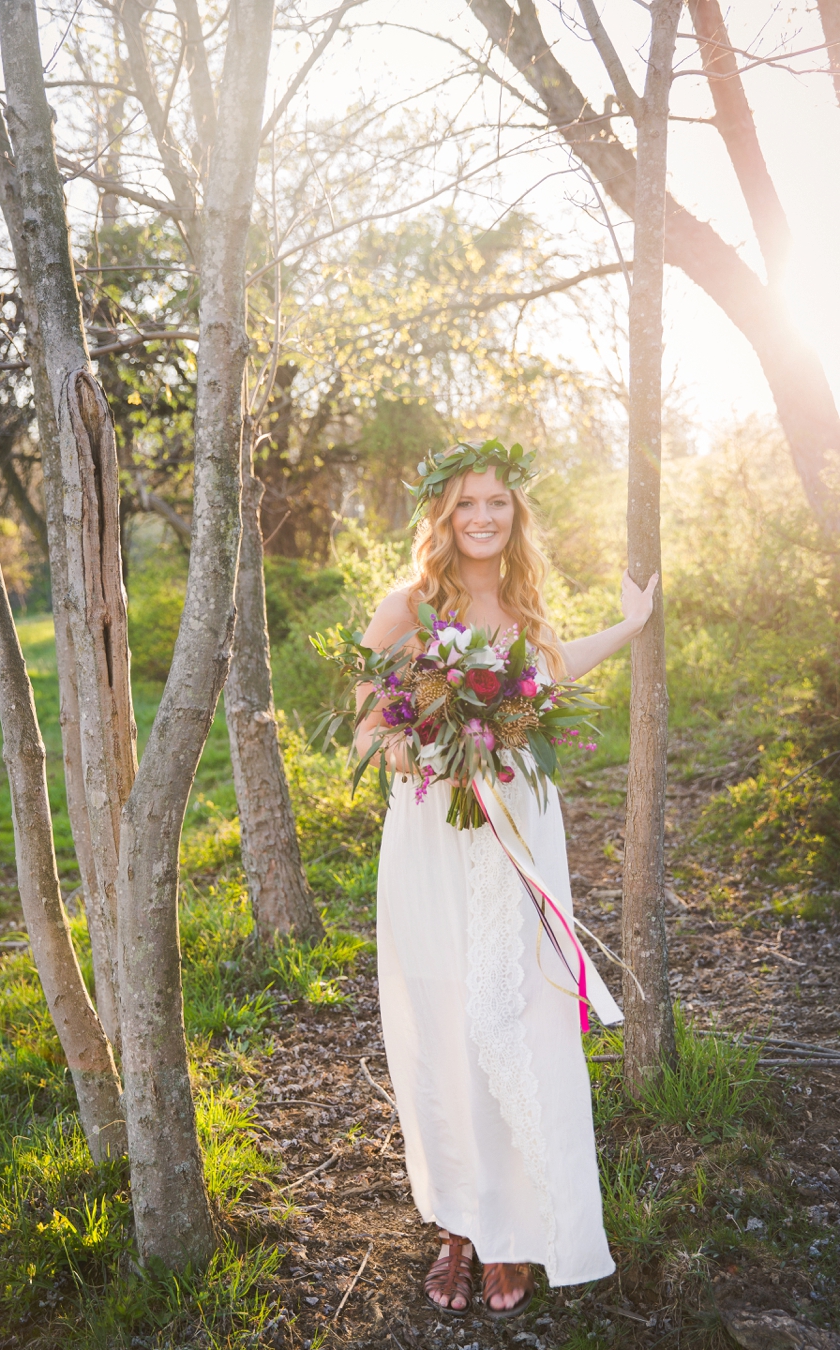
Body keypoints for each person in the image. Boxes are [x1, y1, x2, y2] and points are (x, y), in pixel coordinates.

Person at [354, 442, 657, 1318]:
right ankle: (460, 1224)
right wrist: (421, 752)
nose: (483, 518)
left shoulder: (523, 604)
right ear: (441, 518)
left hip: (520, 824)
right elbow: (368, 723)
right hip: (435, 830)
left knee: (517, 1013)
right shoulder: (406, 606)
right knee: (445, 1016)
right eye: (466, 506)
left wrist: (632, 626)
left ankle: (519, 1228)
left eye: (497, 503)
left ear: (514, 514)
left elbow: (551, 677)